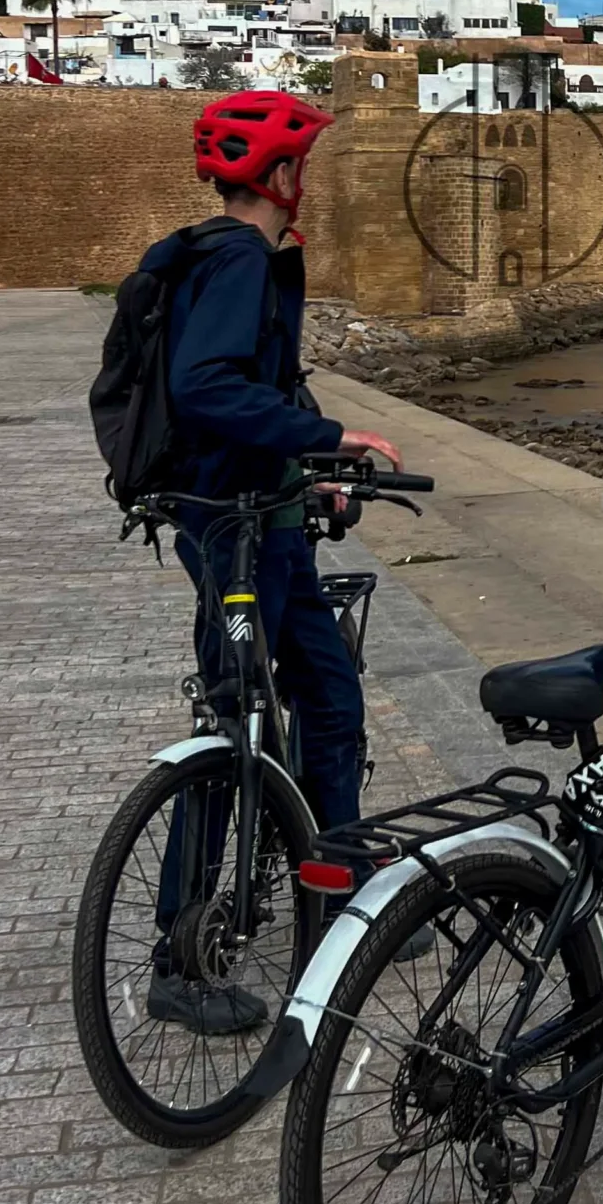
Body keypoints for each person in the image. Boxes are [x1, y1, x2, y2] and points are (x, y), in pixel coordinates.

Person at [145, 90, 400, 1032]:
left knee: (328, 696)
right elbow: (207, 388)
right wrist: (332, 433)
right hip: (235, 534)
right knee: (235, 724)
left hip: (269, 517)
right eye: (305, 168)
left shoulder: (228, 259)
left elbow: (248, 391)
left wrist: (307, 469)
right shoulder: (240, 261)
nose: (310, 185)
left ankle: (338, 885)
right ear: (282, 175)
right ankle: (182, 954)